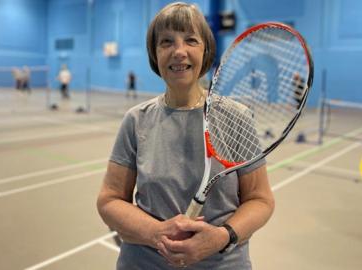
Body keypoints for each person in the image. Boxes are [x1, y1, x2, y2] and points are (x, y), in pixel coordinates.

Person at [96, 2, 274, 269]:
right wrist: (156, 233)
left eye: (190, 40)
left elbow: (260, 199)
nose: (179, 51)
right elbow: (109, 200)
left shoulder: (236, 117)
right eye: (166, 42)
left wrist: (222, 236)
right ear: (155, 54)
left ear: (206, 50)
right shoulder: (136, 120)